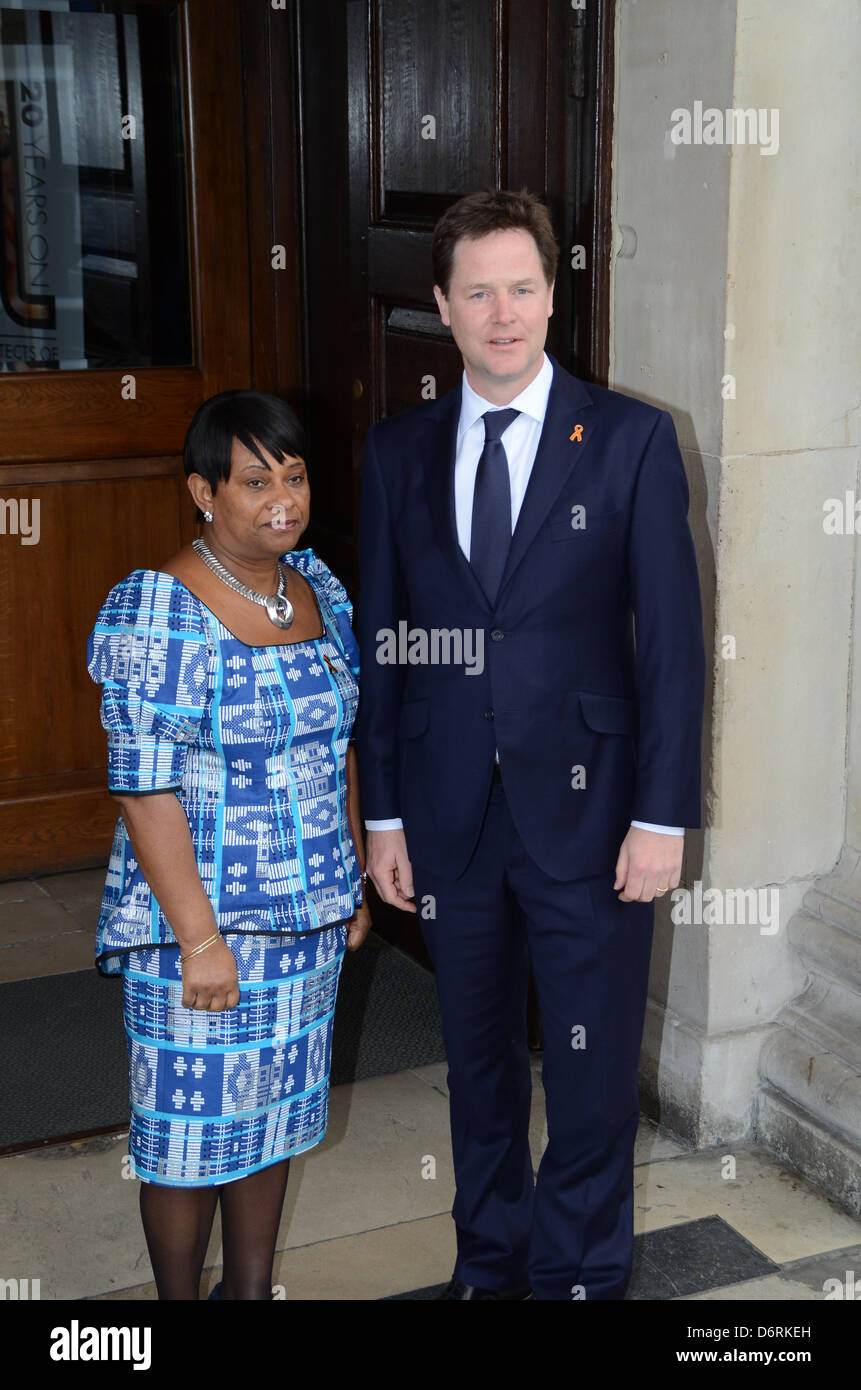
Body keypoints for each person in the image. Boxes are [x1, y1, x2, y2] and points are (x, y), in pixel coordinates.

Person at [354, 189, 705, 1301]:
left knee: (594, 1077)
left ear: (554, 295)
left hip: (597, 815)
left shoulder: (634, 440)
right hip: (449, 814)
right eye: (478, 292)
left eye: (523, 287)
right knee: (479, 1068)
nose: (503, 314)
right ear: (443, 309)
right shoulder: (397, 451)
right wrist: (384, 812)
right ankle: (490, 1264)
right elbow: (384, 642)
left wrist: (664, 815)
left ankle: (581, 1278)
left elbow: (674, 650)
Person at [87, 389, 371, 1300]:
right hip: (200, 930)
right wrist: (199, 941)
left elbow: (341, 745)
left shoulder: (316, 586)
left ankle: (248, 1295)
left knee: (276, 1115)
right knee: (185, 1135)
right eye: (256, 481)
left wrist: (351, 878)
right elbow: (142, 785)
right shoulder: (157, 610)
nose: (283, 497)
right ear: (204, 492)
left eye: (293, 476)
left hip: (307, 920)